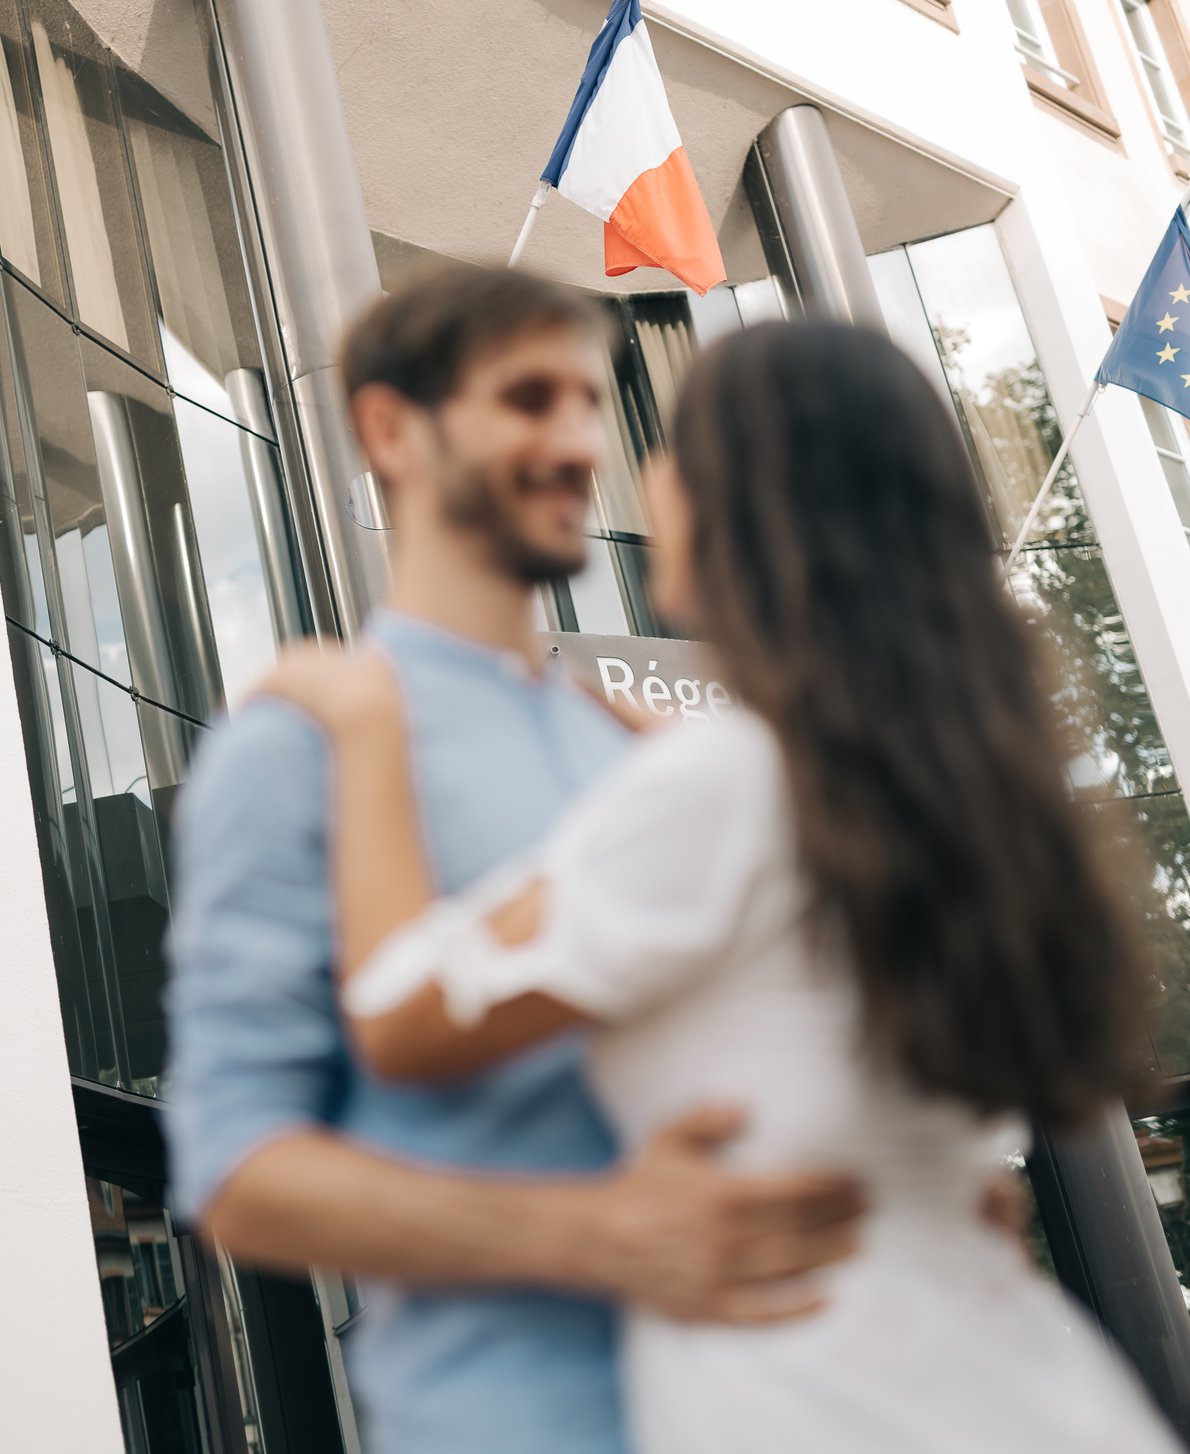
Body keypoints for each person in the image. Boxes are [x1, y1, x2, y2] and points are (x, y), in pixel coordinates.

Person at [261, 319, 1178, 1454]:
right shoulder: (951, 801)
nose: (641, 475)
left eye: (672, 450)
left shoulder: (727, 785)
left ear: (739, 503)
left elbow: (401, 1016)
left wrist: (361, 731)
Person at [165, 267, 866, 1454]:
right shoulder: (297, 743)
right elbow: (237, 1174)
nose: (581, 443)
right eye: (530, 399)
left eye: (591, 403)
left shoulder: (641, 749)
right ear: (393, 430)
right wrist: (596, 1235)